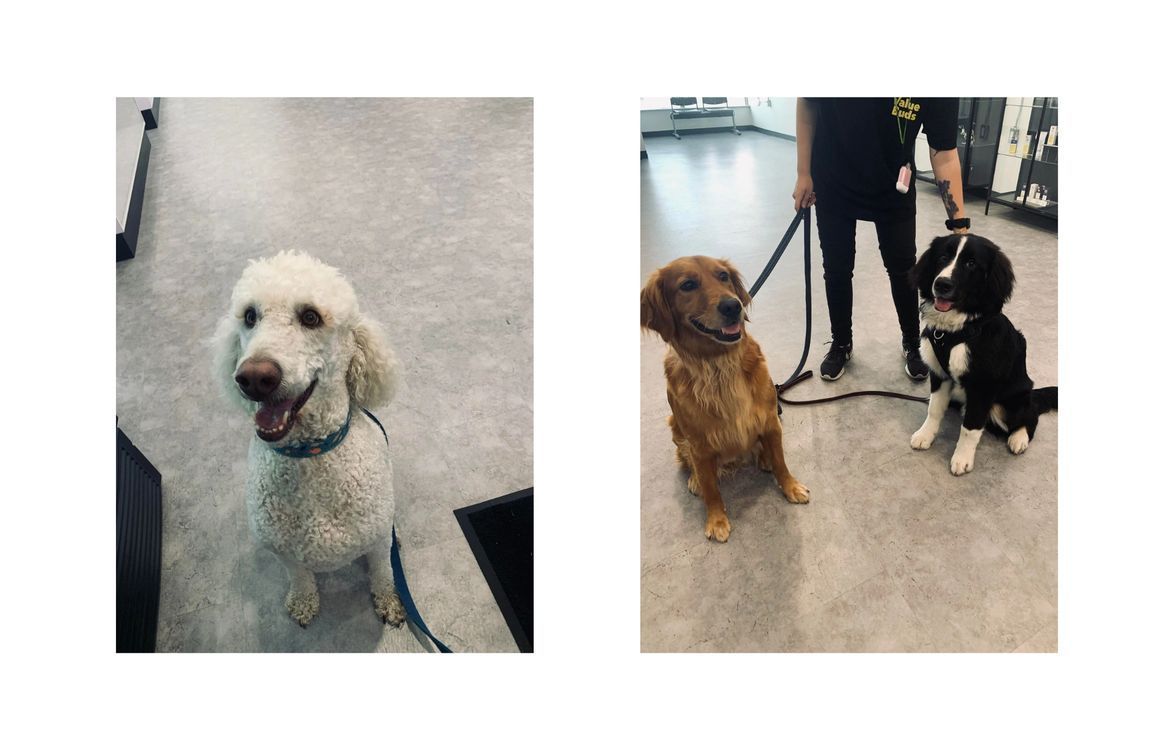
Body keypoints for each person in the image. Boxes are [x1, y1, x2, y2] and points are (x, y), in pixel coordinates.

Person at [793, 97, 970, 381]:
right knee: (837, 267)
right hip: (833, 179)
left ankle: (912, 342)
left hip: (894, 185)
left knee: (903, 269)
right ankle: (841, 342)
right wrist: (804, 173)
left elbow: (944, 152)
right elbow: (808, 103)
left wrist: (959, 226)